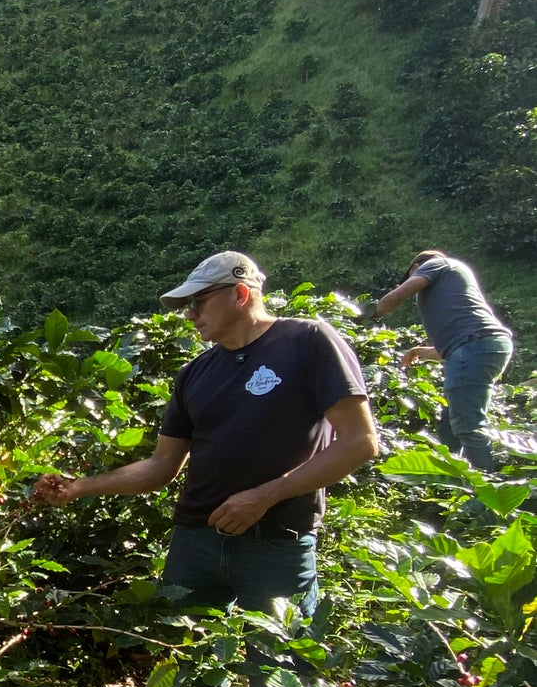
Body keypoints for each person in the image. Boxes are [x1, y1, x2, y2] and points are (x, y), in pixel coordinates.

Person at [33, 251, 379, 615]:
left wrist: (264, 496)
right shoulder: (194, 373)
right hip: (195, 543)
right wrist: (79, 487)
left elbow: (360, 442)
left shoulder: (308, 341)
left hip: (275, 543)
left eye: (198, 302)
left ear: (240, 294)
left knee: (279, 651)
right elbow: (160, 466)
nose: (190, 314)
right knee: (179, 646)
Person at [367, 251, 513, 472]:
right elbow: (451, 351)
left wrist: (369, 314)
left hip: (475, 345)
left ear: (416, 267)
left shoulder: (437, 264)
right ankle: (454, 479)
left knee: (468, 425)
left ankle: (485, 487)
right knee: (448, 427)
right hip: (479, 346)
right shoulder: (453, 277)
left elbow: (398, 295)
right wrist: (419, 351)